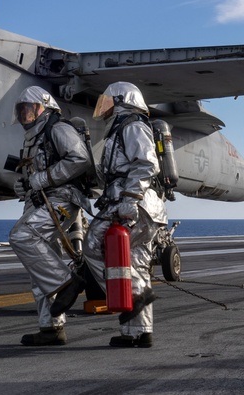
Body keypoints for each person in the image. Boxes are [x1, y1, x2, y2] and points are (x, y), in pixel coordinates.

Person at [82, 81, 167, 349]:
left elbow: (146, 163)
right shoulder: (124, 127)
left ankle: (131, 300)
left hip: (132, 204)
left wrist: (130, 198)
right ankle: (139, 332)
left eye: (108, 101)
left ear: (121, 101)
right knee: (136, 267)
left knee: (93, 246)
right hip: (148, 208)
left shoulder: (131, 125)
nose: (103, 106)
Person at [9, 86, 91, 347]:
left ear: (43, 106)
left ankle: (67, 282)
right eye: (21, 110)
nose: (24, 114)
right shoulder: (32, 138)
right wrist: (23, 185)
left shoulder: (57, 128)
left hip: (63, 200)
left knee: (21, 235)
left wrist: (42, 179)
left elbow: (80, 158)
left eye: (28, 108)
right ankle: (51, 329)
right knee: (39, 266)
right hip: (42, 201)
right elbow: (31, 174)